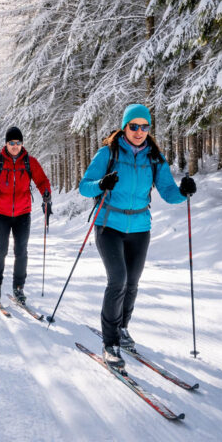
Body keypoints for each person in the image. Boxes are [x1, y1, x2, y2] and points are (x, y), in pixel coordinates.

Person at [79, 104, 196, 368]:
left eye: (145, 126)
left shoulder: (154, 157)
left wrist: (184, 191)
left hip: (140, 227)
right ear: (125, 126)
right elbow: (84, 187)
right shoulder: (107, 153)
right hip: (109, 224)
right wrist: (101, 184)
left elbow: (168, 192)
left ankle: (122, 328)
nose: (140, 131)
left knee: (132, 283)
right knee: (117, 280)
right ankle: (110, 344)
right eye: (134, 126)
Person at [0, 126, 52, 305]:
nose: (15, 146)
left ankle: (19, 289)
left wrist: (46, 193)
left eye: (18, 143)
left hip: (23, 214)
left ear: (22, 144)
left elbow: (42, 181)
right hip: (1, 213)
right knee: (0, 251)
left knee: (21, 252)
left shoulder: (29, 162)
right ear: (6, 143)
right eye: (12, 143)